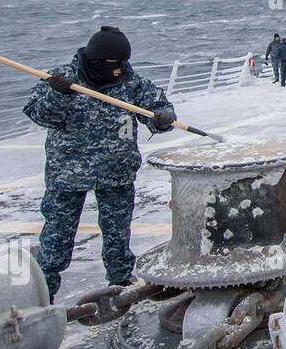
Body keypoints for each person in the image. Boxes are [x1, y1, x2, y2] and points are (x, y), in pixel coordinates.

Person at [23, 26, 175, 300]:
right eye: (113, 65)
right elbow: (40, 115)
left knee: (118, 232)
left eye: (122, 64)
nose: (119, 70)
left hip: (117, 171)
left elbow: (157, 107)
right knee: (57, 235)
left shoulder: (131, 82)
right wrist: (58, 95)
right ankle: (43, 293)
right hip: (68, 172)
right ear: (95, 61)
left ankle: (121, 282)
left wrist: (162, 118)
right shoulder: (62, 79)